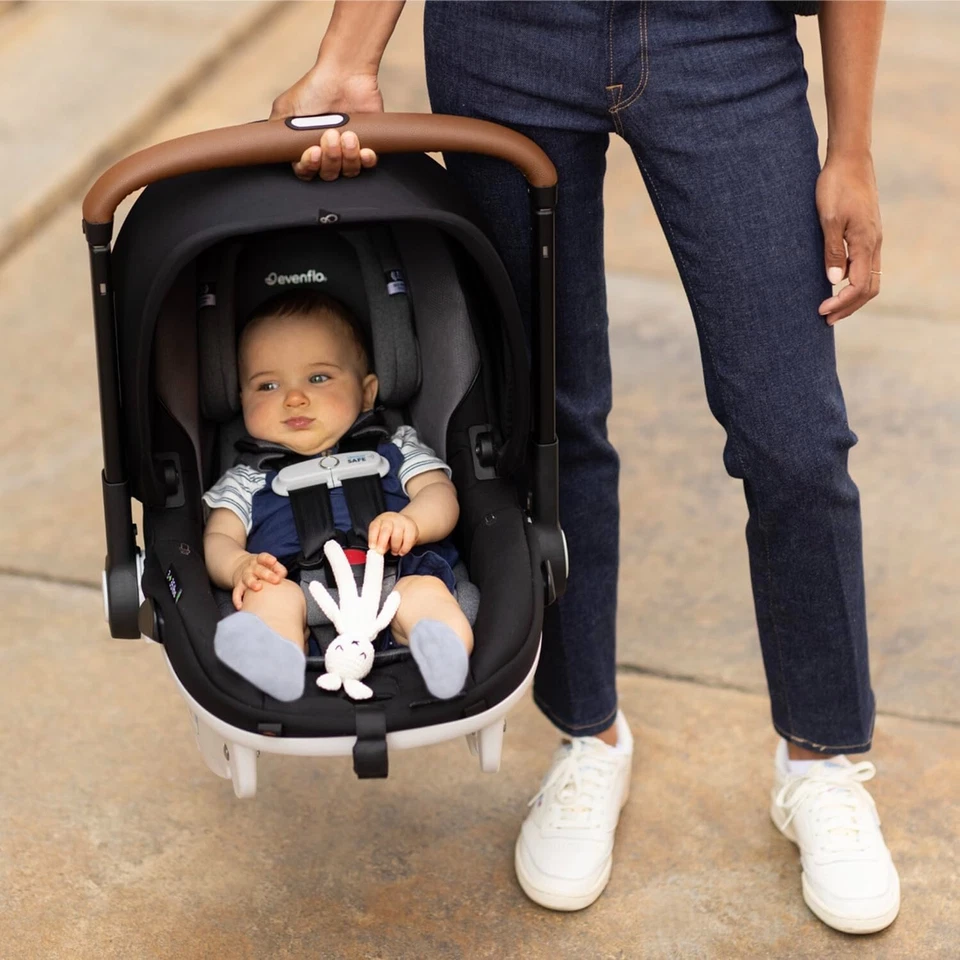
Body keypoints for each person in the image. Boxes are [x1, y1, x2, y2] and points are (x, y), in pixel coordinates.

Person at [269, 0, 898, 933]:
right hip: (507, 35)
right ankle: (586, 734)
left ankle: (822, 759)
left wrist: (851, 147)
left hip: (721, 38)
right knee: (546, 415)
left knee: (792, 432)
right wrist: (348, 55)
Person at [203, 289, 473, 703]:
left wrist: (413, 521)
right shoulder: (246, 478)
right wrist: (240, 565)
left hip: (398, 575)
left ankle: (441, 650)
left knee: (425, 596)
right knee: (269, 598)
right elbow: (218, 538)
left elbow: (441, 494)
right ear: (242, 401)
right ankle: (276, 658)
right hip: (295, 585)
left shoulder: (396, 447)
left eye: (318, 378)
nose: (294, 397)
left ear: (367, 393)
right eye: (268, 385)